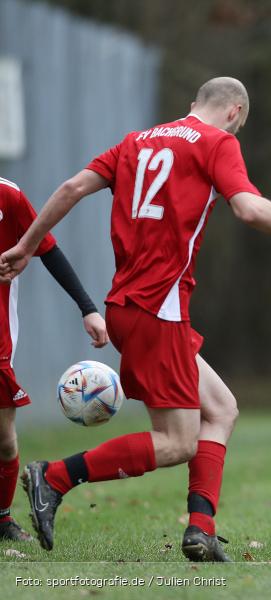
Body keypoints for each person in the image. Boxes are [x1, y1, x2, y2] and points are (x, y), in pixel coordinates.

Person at [0, 77, 271, 562]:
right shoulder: (219, 143)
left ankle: (201, 529)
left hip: (127, 305)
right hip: (160, 309)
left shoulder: (137, 142)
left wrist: (26, 245)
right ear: (235, 112)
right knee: (177, 442)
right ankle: (54, 477)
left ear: (194, 104)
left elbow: (71, 188)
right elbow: (247, 207)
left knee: (221, 409)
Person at [0, 176, 108, 543]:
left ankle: (2, 521)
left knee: (4, 440)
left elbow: (47, 250)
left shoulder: (8, 196)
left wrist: (88, 308)